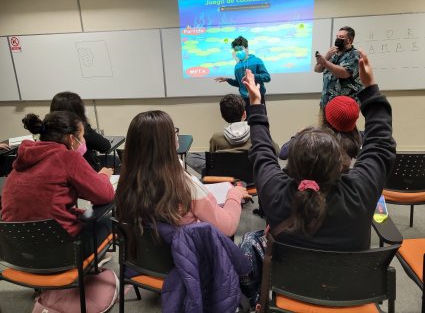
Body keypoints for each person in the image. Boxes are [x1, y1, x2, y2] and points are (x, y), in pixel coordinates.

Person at [239, 50, 396, 305]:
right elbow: (380, 145)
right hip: (350, 296)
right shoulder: (360, 192)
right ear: (340, 163)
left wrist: (255, 104)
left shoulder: (275, 192)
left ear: (290, 165)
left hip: (290, 292)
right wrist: (370, 89)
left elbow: (262, 151)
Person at [115, 110, 251, 238]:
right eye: (173, 131)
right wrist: (234, 195)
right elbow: (227, 227)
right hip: (188, 258)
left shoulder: (125, 185)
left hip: (145, 260)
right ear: (166, 142)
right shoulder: (186, 186)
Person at [1, 111, 115, 257]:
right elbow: (105, 195)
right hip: (59, 251)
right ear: (71, 138)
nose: (84, 141)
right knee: (109, 221)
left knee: (83, 214)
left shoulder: (24, 156)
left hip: (18, 251)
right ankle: (90, 268)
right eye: (82, 137)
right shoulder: (67, 157)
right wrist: (103, 176)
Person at [186, 93, 279, 176]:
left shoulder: (216, 137)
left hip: (225, 175)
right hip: (253, 176)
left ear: (223, 116)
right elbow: (276, 151)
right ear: (245, 114)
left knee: (191, 156)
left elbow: (212, 159)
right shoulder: (258, 133)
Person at [279, 95, 362, 172]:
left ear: (325, 118)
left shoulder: (317, 139)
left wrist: (299, 135)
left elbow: (283, 153)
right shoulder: (358, 139)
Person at [50, 91, 113, 171]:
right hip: (84, 168)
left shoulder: (48, 130)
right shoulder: (79, 129)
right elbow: (105, 146)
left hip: (58, 169)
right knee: (114, 160)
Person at [215, 36, 270, 117]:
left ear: (246, 48)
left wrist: (252, 76)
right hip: (244, 100)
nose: (238, 52)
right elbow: (239, 83)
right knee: (247, 124)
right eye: (236, 50)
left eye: (240, 49)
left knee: (260, 122)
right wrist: (227, 80)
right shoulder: (237, 66)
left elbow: (267, 77)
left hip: (258, 97)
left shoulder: (257, 60)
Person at [315, 26, 363, 109]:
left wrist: (325, 62)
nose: (338, 39)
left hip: (345, 106)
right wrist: (327, 56)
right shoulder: (333, 53)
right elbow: (317, 69)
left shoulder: (354, 54)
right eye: (337, 37)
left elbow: (344, 73)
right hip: (326, 102)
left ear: (350, 40)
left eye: (341, 37)